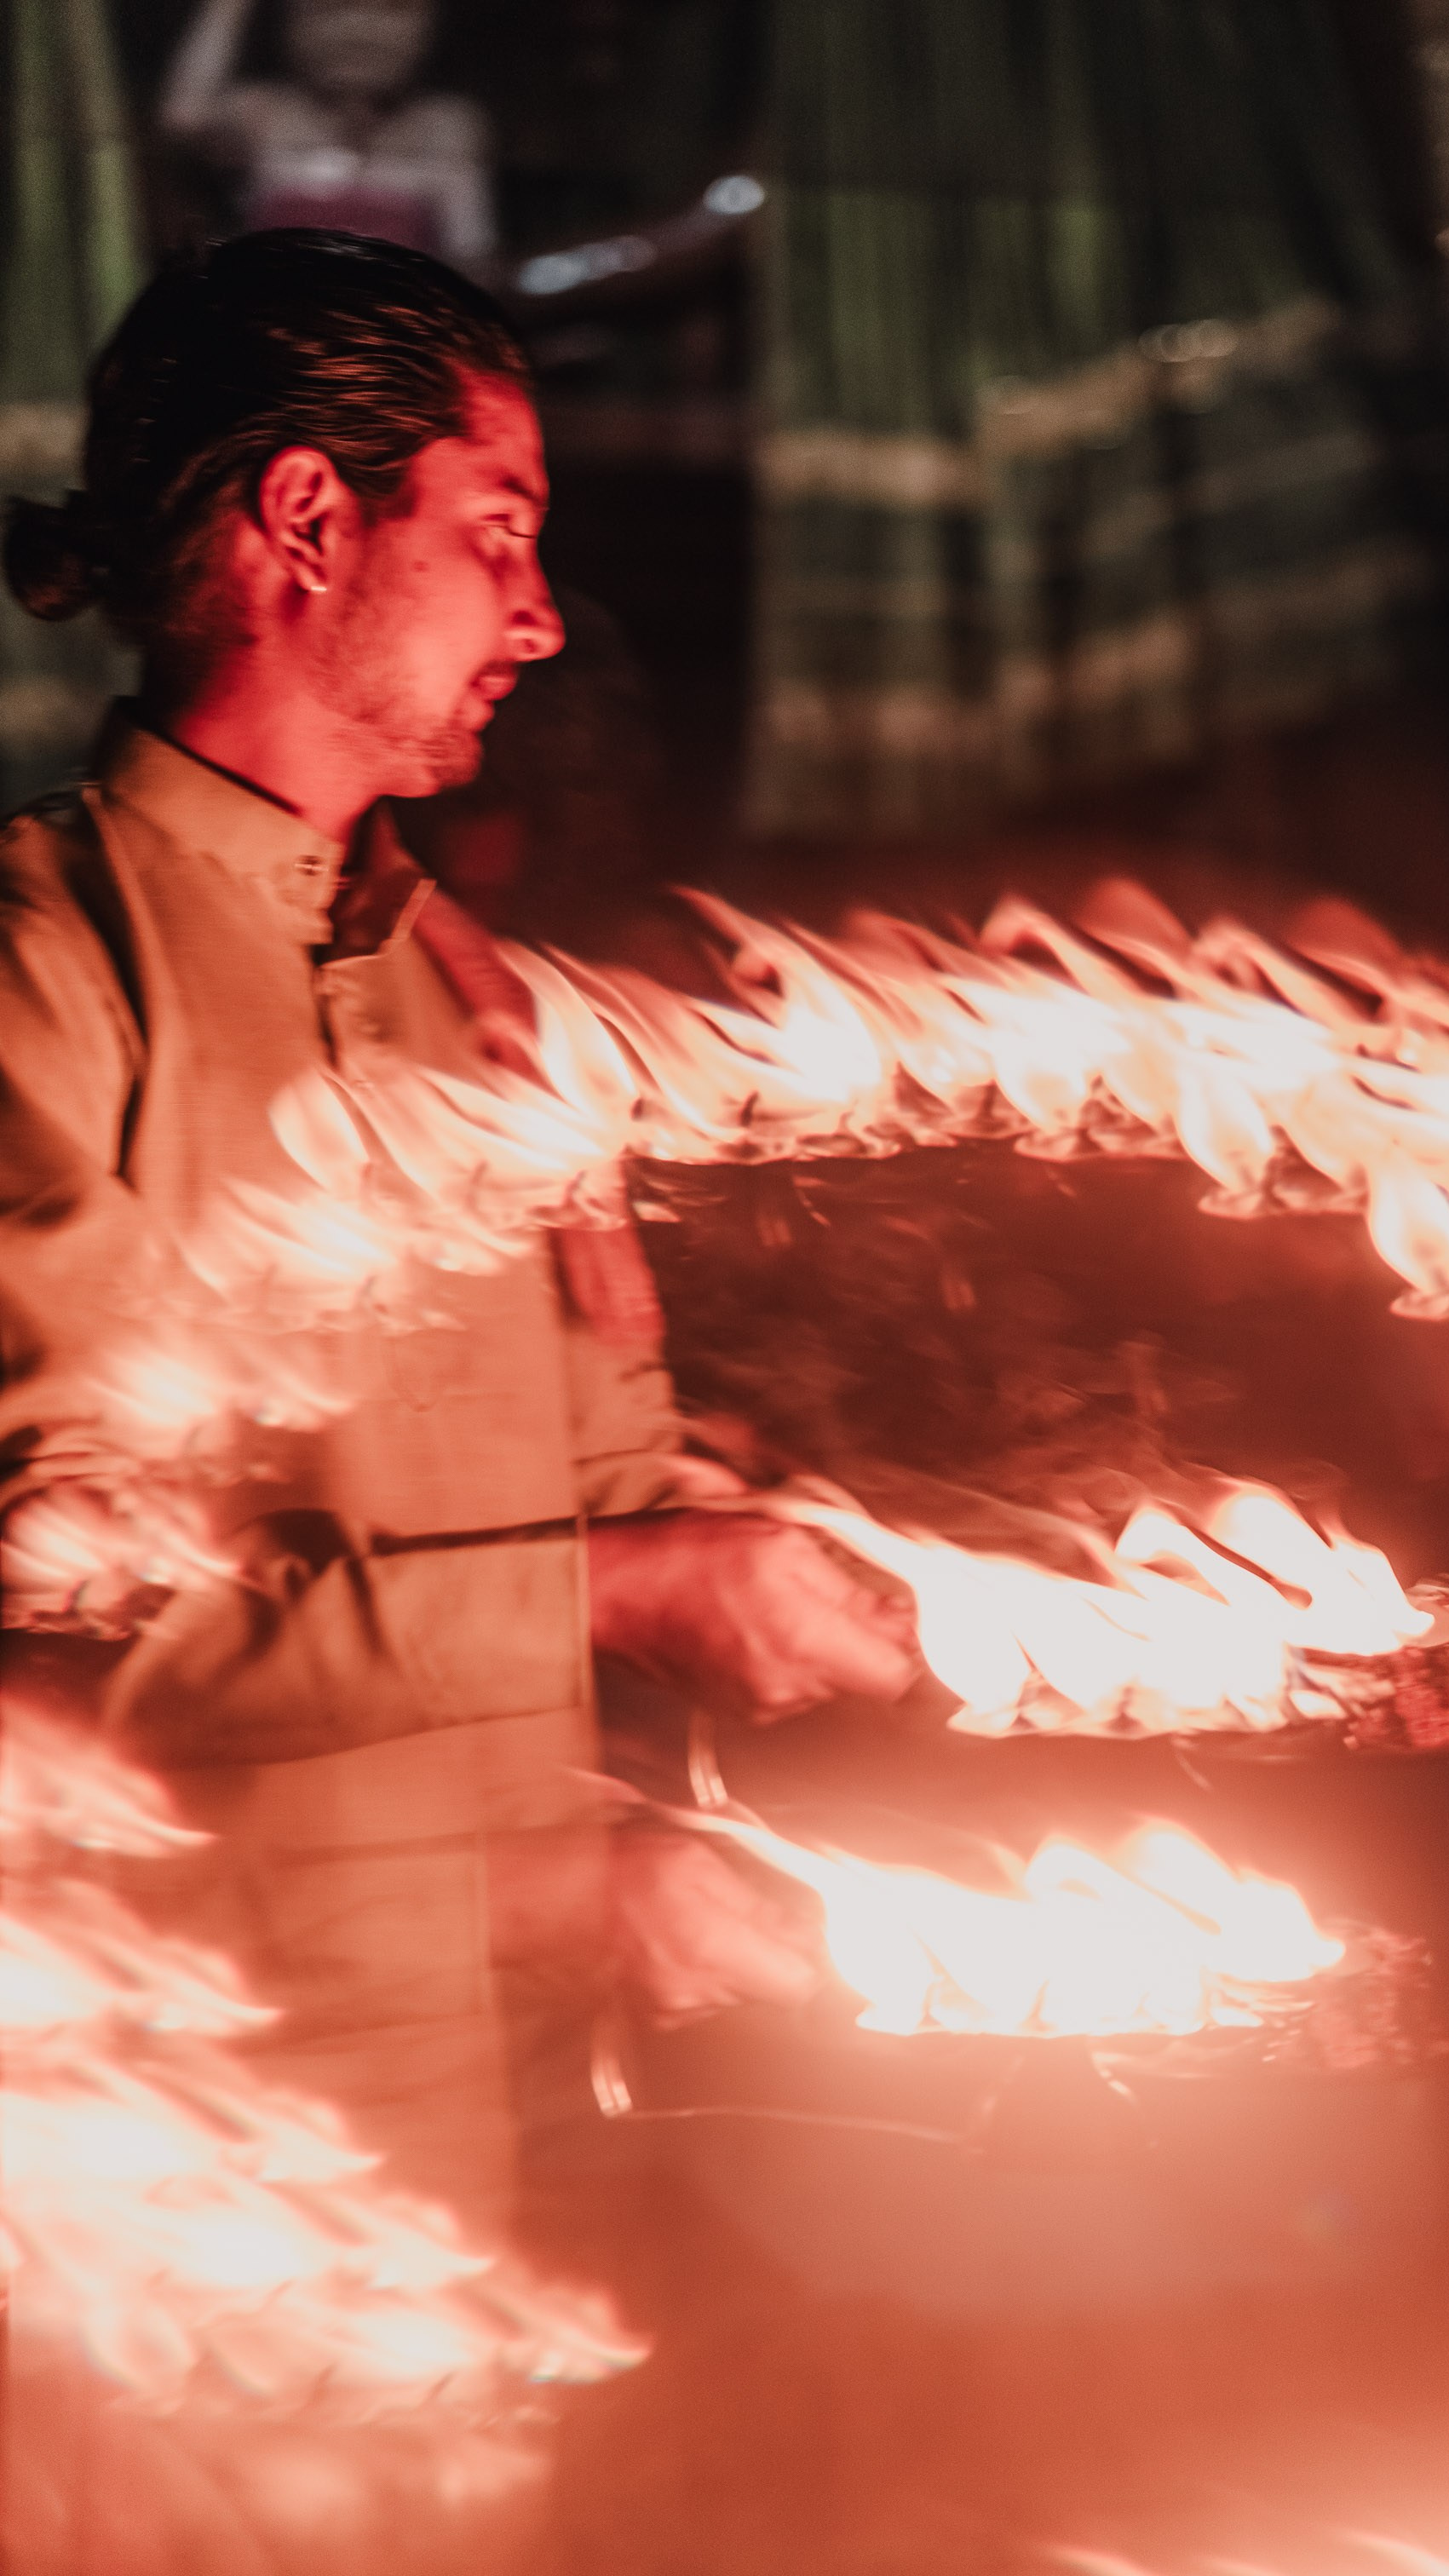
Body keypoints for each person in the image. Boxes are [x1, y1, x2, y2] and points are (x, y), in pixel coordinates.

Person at [0, 228, 920, 2241]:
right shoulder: (44, 984)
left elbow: (609, 1493)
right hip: (169, 2179)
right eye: (497, 533)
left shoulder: (480, 1004)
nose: (542, 616)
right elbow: (62, 1658)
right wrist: (623, 1601)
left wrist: (894, 1572)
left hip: (519, 2141)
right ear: (305, 520)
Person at [161, 0, 497, 266]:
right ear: (288, 22)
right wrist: (229, 7)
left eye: (393, 9)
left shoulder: (444, 125)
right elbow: (186, 117)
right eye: (328, 9)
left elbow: (472, 255)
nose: (357, 31)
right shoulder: (263, 114)